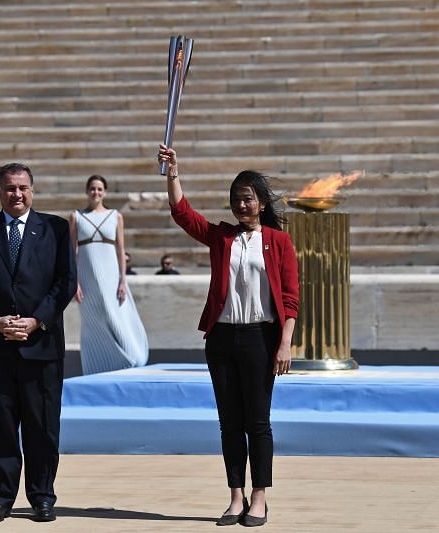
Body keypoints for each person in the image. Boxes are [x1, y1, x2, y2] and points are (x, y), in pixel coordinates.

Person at [158, 143, 299, 527]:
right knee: (229, 422)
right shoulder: (222, 238)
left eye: (248, 199)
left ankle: (259, 497)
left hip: (261, 339)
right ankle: (235, 495)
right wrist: (173, 172)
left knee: (258, 421)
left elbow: (290, 299)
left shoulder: (278, 242)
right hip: (221, 339)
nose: (241, 205)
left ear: (262, 203)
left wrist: (284, 343)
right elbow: (183, 214)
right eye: (236, 199)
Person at [0, 162, 77, 523]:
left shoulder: (55, 229)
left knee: (42, 428)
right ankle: (1, 498)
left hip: (42, 348)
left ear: (33, 190)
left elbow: (65, 282)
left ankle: (42, 497)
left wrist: (36, 320)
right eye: (10, 188)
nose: (17, 194)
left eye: (23, 187)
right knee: (1, 428)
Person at [69, 175, 149, 374]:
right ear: (87, 191)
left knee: (116, 316)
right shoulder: (76, 216)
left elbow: (120, 251)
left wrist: (123, 280)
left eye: (100, 189)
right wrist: (74, 282)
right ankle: (96, 365)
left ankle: (131, 357)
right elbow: (72, 253)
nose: (96, 192)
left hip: (111, 276)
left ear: (104, 192)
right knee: (92, 321)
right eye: (92, 188)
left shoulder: (115, 216)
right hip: (86, 278)